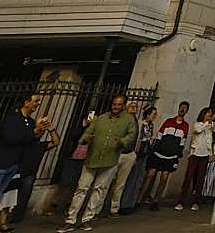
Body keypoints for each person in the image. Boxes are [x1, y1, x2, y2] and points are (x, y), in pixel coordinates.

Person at [58, 95, 136, 233]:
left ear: (123, 106)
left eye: (119, 105)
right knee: (82, 188)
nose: (115, 107)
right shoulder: (101, 118)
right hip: (92, 159)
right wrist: (84, 139)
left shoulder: (128, 120)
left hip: (110, 160)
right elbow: (88, 132)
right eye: (114, 104)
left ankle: (87, 219)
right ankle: (71, 219)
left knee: (99, 189)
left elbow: (131, 135)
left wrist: (122, 142)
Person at [0, 94, 46, 233]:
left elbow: (29, 142)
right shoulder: (12, 117)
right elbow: (11, 138)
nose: (37, 104)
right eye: (35, 101)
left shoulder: (29, 121)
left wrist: (39, 130)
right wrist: (33, 132)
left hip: (14, 164)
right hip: (0, 163)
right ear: (26, 102)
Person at [0, 116, 59, 232]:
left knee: (21, 197)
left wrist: (51, 129)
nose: (40, 132)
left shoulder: (40, 145)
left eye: (41, 131)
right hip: (16, 171)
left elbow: (56, 142)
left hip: (28, 174)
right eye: (39, 130)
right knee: (7, 197)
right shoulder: (23, 142)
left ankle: (12, 218)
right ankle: (1, 221)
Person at [141, 101, 189, 210]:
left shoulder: (185, 126)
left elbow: (183, 141)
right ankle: (140, 198)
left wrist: (177, 155)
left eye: (185, 108)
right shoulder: (169, 121)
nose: (182, 109)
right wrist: (155, 148)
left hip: (171, 156)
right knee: (150, 175)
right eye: (181, 107)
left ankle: (156, 200)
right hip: (159, 152)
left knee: (164, 177)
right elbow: (160, 135)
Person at [119, 106, 155, 214]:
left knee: (138, 179)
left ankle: (132, 203)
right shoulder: (140, 124)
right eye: (153, 114)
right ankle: (124, 204)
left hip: (145, 153)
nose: (154, 116)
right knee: (131, 179)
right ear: (147, 114)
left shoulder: (150, 126)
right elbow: (137, 138)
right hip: (138, 153)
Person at [107, 101, 140, 217]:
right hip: (118, 153)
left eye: (135, 107)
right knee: (107, 180)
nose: (133, 109)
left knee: (120, 183)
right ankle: (99, 207)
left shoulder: (136, 122)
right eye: (131, 107)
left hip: (129, 154)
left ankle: (114, 208)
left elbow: (136, 139)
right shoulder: (122, 120)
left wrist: (134, 154)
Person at [177, 108, 214, 211]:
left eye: (210, 115)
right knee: (189, 177)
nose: (209, 116)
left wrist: (213, 122)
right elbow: (198, 130)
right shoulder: (197, 124)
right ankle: (181, 201)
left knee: (200, 179)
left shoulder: (210, 126)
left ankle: (197, 201)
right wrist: (207, 123)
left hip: (205, 154)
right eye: (208, 114)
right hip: (195, 154)